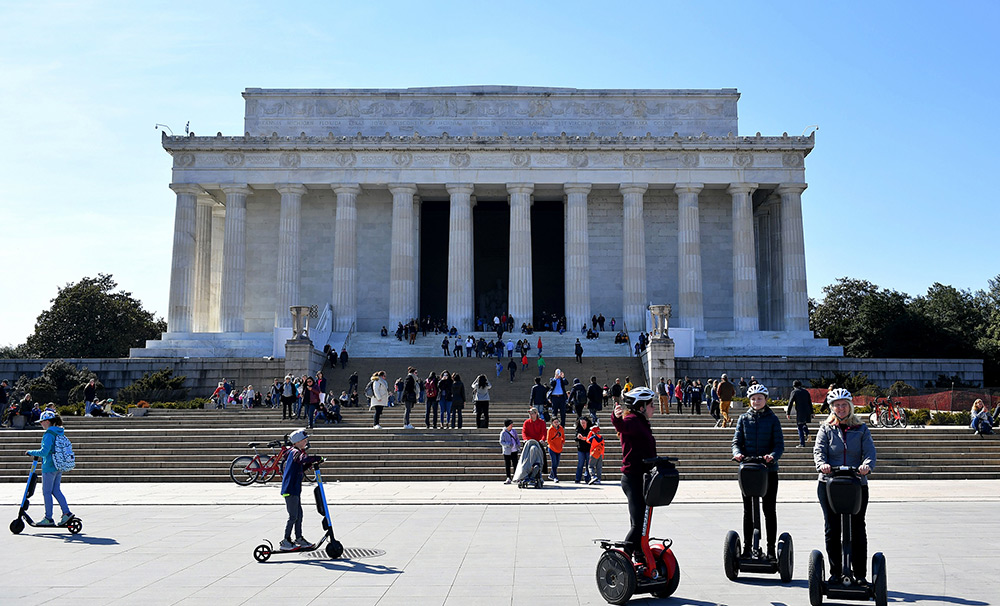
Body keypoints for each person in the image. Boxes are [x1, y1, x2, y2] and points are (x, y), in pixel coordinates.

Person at [814, 388, 877, 584]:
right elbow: (819, 450)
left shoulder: (861, 428)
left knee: (858, 528)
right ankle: (835, 573)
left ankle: (859, 575)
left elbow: (870, 452)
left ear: (850, 407)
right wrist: (822, 464)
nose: (840, 408)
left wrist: (867, 465)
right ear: (831, 408)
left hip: (856, 482)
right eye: (836, 405)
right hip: (829, 483)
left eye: (844, 405)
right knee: (832, 528)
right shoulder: (825, 428)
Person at [731, 383, 785, 558]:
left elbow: (779, 445)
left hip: (768, 470)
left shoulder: (773, 419)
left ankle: (770, 548)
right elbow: (736, 442)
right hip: (748, 470)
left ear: (765, 400)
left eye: (759, 398)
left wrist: (772, 456)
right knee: (748, 510)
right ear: (750, 400)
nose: (756, 401)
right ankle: (747, 548)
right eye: (753, 399)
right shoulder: (743, 419)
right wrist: (737, 453)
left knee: (769, 510)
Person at [610, 386, 658, 565]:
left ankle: (638, 554)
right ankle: (622, 560)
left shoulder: (641, 421)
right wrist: (616, 416)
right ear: (641, 407)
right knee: (638, 524)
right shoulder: (631, 420)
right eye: (651, 405)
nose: (654, 407)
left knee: (641, 523)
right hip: (633, 478)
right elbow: (621, 425)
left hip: (643, 476)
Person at [25, 411, 74, 527]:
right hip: (59, 465)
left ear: (47, 421)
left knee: (47, 492)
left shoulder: (48, 434)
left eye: (42, 422)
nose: (41, 424)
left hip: (49, 467)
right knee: (56, 490)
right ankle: (66, 513)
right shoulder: (59, 432)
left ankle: (48, 518)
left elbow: (44, 452)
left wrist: (30, 452)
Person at [279, 428, 322, 550]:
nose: (306, 441)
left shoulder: (295, 453)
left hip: (294, 489)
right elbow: (303, 459)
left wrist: (310, 464)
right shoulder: (295, 452)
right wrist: (317, 458)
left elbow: (300, 468)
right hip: (290, 490)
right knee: (293, 516)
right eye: (304, 440)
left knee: (299, 515)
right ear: (297, 442)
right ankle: (285, 541)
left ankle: (299, 538)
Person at [786, 379, 815, 446]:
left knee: (799, 427)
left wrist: (788, 413)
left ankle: (802, 443)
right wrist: (812, 412)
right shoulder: (806, 392)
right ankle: (808, 433)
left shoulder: (794, 392)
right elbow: (809, 402)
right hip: (807, 411)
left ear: (794, 386)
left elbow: (790, 403)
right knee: (803, 424)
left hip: (800, 411)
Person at [522, 407, 548, 474]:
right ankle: (523, 467)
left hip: (538, 442)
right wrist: (525, 439)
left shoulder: (542, 422)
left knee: (543, 453)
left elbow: (544, 432)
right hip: (529, 441)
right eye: (530, 413)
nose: (531, 415)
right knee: (523, 454)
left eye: (532, 413)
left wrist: (542, 440)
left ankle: (543, 469)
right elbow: (524, 432)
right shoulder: (526, 422)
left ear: (536, 414)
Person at [574, 416, 593, 484]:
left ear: (587, 422)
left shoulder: (590, 429)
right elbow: (575, 438)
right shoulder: (578, 429)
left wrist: (585, 438)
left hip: (589, 449)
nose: (583, 424)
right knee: (580, 464)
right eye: (581, 423)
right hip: (581, 449)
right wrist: (578, 436)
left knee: (588, 464)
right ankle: (577, 478)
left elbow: (593, 438)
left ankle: (587, 478)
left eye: (584, 423)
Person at [546, 417, 565, 483]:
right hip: (552, 448)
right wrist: (553, 446)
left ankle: (551, 474)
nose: (556, 424)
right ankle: (555, 476)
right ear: (552, 423)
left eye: (557, 422)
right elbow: (548, 440)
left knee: (557, 463)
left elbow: (563, 436)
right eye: (555, 422)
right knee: (554, 462)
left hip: (559, 447)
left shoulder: (561, 428)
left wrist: (562, 442)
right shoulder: (550, 429)